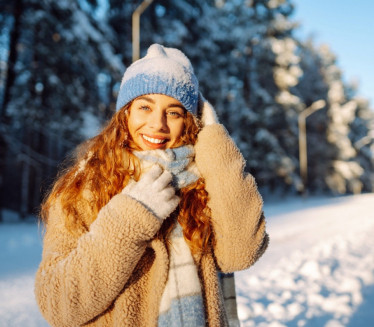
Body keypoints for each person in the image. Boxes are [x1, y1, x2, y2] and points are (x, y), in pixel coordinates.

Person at [35, 44, 269, 327]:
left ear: (189, 122)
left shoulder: (204, 184)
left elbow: (241, 253)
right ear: (126, 114)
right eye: (145, 107)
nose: (157, 124)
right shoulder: (85, 186)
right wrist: (130, 217)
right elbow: (60, 305)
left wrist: (214, 140)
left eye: (173, 112)